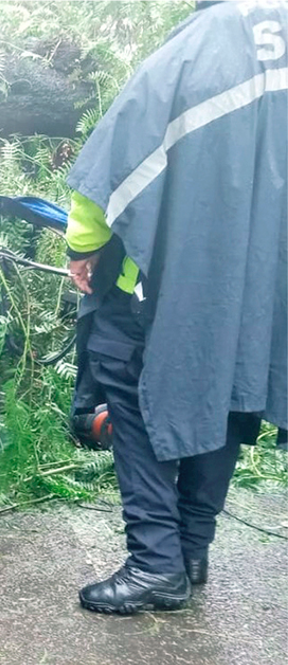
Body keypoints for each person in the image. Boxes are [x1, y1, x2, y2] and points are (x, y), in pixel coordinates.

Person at [64, 0, 287, 615]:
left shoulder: (208, 39)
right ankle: (191, 549)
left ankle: (156, 564)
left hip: (171, 279)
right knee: (227, 392)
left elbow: (122, 156)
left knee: (130, 388)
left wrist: (84, 247)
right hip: (266, 286)